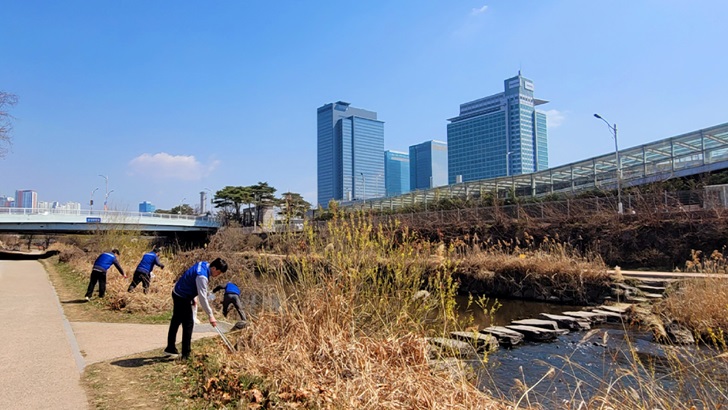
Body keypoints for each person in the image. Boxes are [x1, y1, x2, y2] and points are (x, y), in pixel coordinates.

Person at [164, 257, 228, 359]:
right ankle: (186, 354)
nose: (217, 275)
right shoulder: (202, 276)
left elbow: (191, 279)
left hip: (178, 291)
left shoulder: (204, 264)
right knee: (188, 323)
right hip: (182, 296)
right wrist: (211, 315)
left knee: (176, 320)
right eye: (218, 273)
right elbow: (203, 298)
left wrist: (193, 297)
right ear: (214, 268)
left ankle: (170, 348)